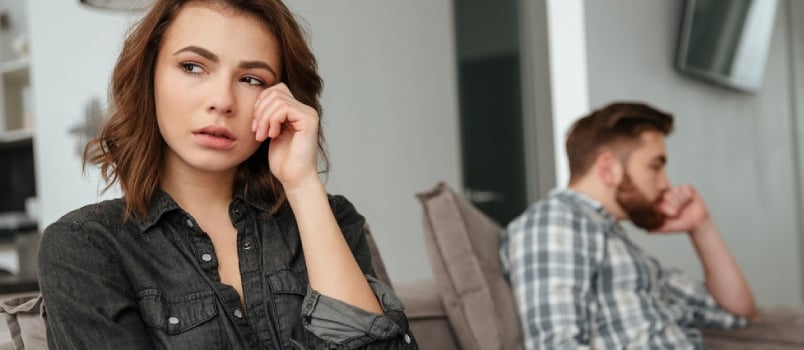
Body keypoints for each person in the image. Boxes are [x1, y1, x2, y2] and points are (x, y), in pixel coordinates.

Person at [37, 1, 416, 349]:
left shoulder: (332, 219)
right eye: (192, 67)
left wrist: (301, 184)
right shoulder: (84, 247)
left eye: (252, 79)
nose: (222, 100)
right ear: (149, 77)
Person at [500, 102, 758, 349]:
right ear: (608, 169)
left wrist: (702, 227)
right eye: (655, 167)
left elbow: (737, 313)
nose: (665, 183)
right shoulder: (556, 223)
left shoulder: (619, 245)